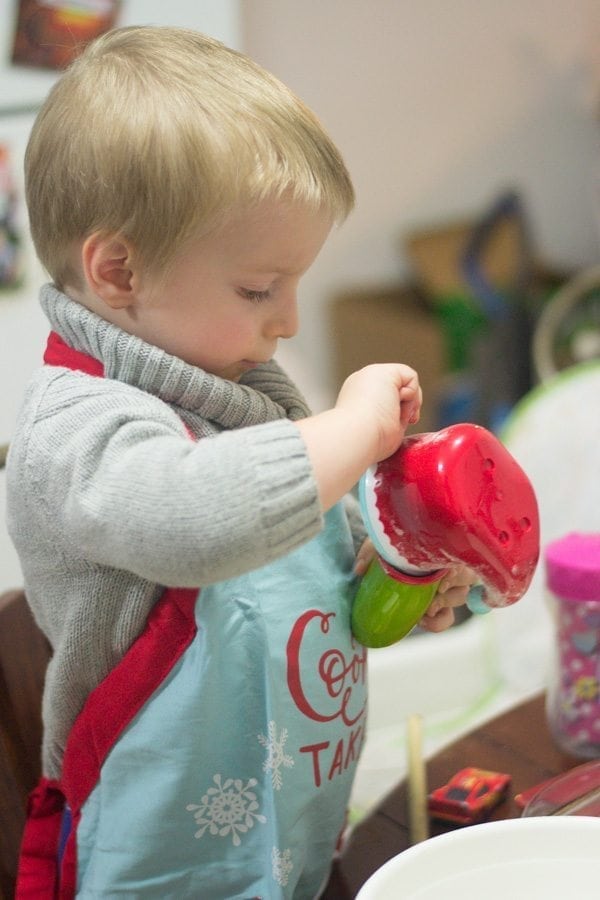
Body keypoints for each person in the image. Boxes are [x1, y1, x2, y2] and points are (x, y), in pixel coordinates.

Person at [7, 26, 474, 899]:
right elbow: (195, 519)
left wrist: (396, 573)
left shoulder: (237, 378)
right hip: (158, 845)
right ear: (118, 271)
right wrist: (351, 428)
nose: (288, 320)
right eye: (259, 290)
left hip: (292, 808)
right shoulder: (73, 427)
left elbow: (312, 555)